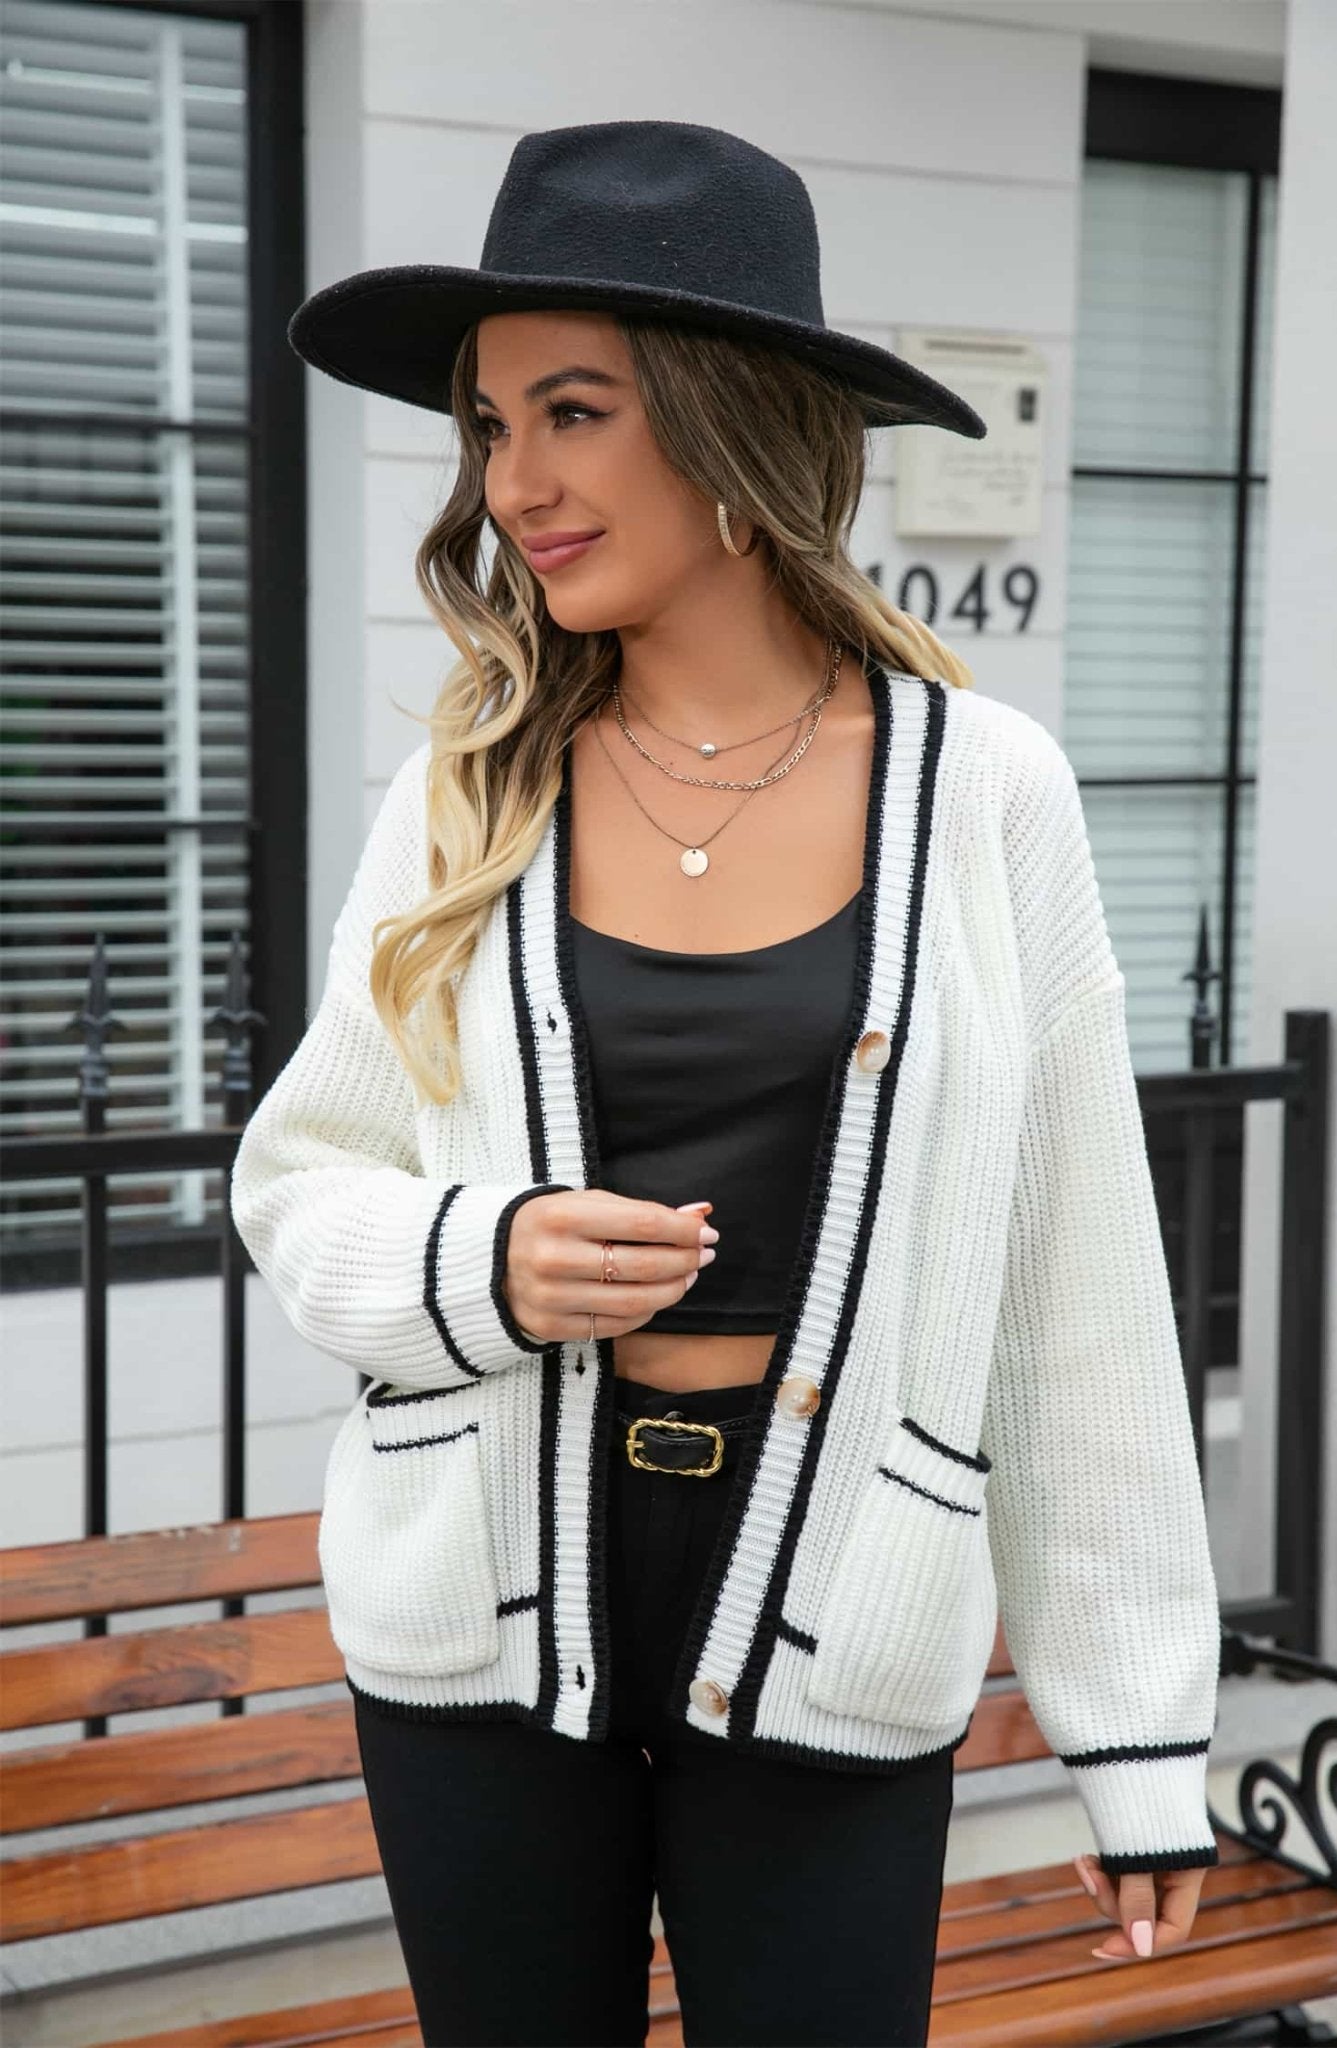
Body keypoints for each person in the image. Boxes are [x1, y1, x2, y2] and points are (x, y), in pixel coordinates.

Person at [230, 119, 1222, 2048]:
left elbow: (1076, 1285)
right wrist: (481, 1262)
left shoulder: (984, 792)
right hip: (478, 1611)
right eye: (490, 423)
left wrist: (1134, 1734)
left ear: (729, 421)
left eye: (572, 413)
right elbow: (302, 1181)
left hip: (846, 1594)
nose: (513, 482)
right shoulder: (466, 787)